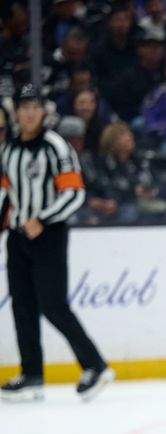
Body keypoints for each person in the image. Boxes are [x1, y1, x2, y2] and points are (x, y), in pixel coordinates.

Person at [0, 85, 113, 403]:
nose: (29, 113)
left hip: (48, 236)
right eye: (23, 108)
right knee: (23, 307)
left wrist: (44, 219)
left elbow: (74, 193)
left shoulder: (56, 147)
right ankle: (32, 374)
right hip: (18, 237)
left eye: (34, 107)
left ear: (44, 112)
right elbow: (6, 192)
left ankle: (95, 365)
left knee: (53, 306)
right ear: (16, 112)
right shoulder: (9, 149)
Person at [82, 120, 164, 224]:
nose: (129, 137)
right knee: (129, 212)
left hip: (143, 202)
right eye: (123, 135)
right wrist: (132, 192)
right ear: (112, 141)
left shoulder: (139, 160)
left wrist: (154, 191)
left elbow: (156, 181)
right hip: (115, 204)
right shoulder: (103, 163)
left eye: (129, 133)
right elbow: (104, 186)